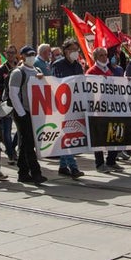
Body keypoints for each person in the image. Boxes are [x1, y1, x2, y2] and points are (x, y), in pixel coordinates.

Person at [10, 46, 46, 185]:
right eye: (29, 54)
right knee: (29, 143)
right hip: (23, 113)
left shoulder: (37, 71)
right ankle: (36, 172)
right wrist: (22, 113)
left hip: (35, 113)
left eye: (33, 54)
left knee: (26, 143)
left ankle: (23, 173)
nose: (32, 56)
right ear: (23, 56)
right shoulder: (18, 73)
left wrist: (42, 79)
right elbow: (14, 94)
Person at [52, 39, 86, 178]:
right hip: (62, 105)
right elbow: (54, 84)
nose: (75, 52)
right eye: (72, 49)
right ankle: (73, 167)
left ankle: (63, 166)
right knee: (66, 135)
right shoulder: (57, 65)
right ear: (65, 50)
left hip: (75, 105)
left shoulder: (78, 65)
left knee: (69, 134)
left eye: (77, 50)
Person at [86, 47, 123, 173]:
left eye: (105, 55)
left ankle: (111, 161)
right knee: (99, 137)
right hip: (99, 110)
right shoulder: (91, 72)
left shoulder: (109, 70)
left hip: (111, 108)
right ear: (96, 58)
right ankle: (100, 163)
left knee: (114, 134)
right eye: (101, 55)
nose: (104, 57)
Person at [0, 50, 19, 166]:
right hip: (7, 102)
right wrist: (8, 83)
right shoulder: (1, 69)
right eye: (8, 53)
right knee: (6, 131)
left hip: (19, 102)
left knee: (21, 130)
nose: (11, 55)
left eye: (13, 53)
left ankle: (12, 147)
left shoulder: (19, 67)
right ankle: (11, 154)